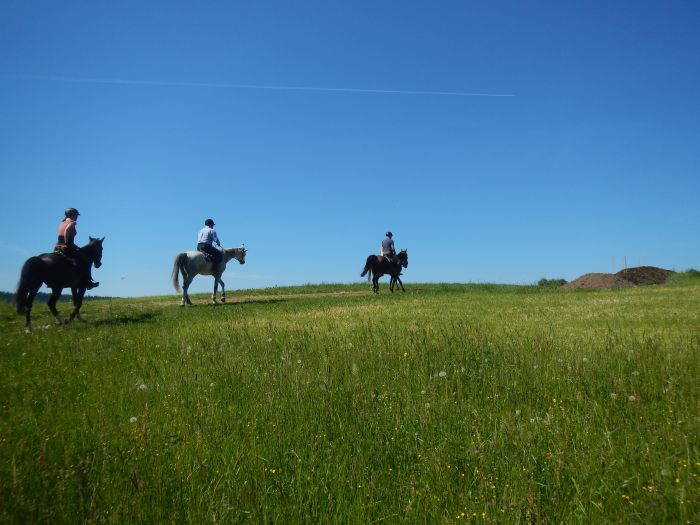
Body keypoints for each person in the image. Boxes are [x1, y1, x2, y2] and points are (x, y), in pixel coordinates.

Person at [54, 208, 99, 289]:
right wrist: (66, 242)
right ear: (72, 215)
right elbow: (67, 230)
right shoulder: (72, 222)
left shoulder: (62, 222)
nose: (77, 217)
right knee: (85, 260)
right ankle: (88, 282)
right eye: (76, 215)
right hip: (67, 246)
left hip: (58, 246)